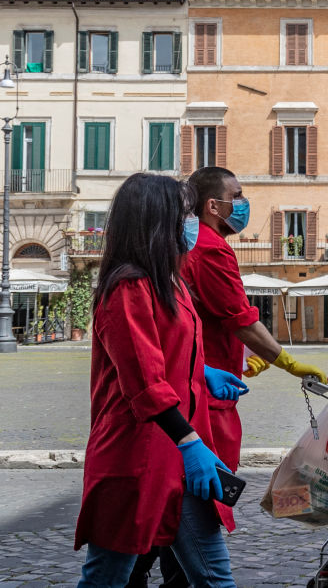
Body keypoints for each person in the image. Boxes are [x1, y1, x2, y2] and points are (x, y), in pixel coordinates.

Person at [75, 173, 248, 588]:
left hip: (181, 454)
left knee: (214, 577)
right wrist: (191, 445)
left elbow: (163, 350)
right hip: (139, 455)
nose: (191, 221)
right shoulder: (128, 288)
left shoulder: (170, 284)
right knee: (106, 578)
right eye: (185, 214)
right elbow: (143, 381)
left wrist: (201, 372)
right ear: (158, 220)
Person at [182, 166, 327, 472]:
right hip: (208, 391)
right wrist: (289, 363)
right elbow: (240, 319)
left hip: (206, 377)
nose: (243, 202)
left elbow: (212, 315)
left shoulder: (198, 245)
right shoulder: (211, 250)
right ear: (213, 206)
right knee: (216, 477)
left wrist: (246, 354)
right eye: (236, 196)